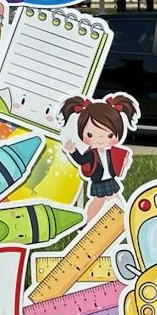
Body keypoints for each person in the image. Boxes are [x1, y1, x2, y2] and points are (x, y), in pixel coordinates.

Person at [58, 93, 140, 221]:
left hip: (110, 179)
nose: (100, 139)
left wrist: (124, 163)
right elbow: (80, 160)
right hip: (98, 181)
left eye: (109, 135)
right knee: (98, 201)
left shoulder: (111, 153)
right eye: (91, 134)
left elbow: (117, 165)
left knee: (114, 198)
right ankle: (89, 221)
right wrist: (72, 151)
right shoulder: (91, 154)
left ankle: (124, 219)